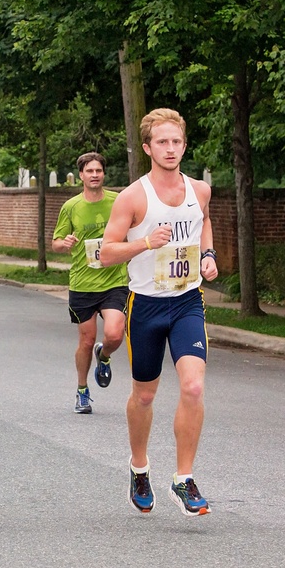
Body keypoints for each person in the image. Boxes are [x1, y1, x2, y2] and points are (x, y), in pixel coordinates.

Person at [100, 108, 219, 517]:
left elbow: (204, 222)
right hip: (146, 305)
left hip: (187, 301)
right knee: (145, 395)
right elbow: (106, 252)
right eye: (162, 142)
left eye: (177, 142)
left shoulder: (199, 189)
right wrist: (146, 243)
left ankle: (183, 479)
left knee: (193, 387)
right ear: (148, 148)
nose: (170, 149)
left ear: (185, 146)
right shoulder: (133, 197)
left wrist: (207, 254)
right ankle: (139, 467)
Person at [51, 152, 129, 414]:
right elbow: (55, 243)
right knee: (86, 340)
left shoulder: (118, 201)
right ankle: (82, 390)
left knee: (115, 333)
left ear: (103, 174)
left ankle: (104, 355)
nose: (94, 175)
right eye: (89, 171)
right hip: (83, 283)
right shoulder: (71, 207)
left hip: (114, 280)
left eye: (98, 170)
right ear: (81, 175)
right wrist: (66, 243)